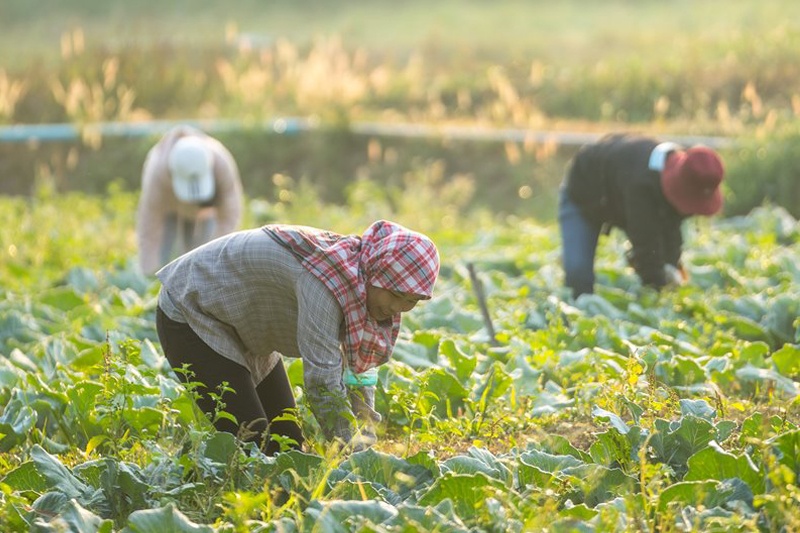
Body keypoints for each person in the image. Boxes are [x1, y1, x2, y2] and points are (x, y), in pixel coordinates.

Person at [154, 219, 440, 455]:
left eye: (410, 301)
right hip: (191, 309)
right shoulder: (327, 281)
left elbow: (360, 373)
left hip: (245, 328)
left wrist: (364, 439)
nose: (396, 307)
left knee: (287, 444)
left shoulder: (369, 293)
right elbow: (322, 381)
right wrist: (353, 451)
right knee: (255, 444)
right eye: (394, 294)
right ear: (377, 274)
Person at [558, 132, 725, 298]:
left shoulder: (689, 172)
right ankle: (574, 310)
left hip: (618, 195)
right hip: (584, 191)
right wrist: (659, 286)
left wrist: (671, 266)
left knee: (661, 265)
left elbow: (672, 226)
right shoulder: (641, 183)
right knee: (578, 273)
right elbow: (645, 243)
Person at [136, 125, 244, 275]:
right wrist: (148, 272)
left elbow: (230, 213)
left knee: (204, 254)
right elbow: (150, 226)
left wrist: (217, 260)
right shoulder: (156, 171)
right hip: (170, 209)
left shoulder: (221, 161)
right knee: (165, 254)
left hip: (206, 211)